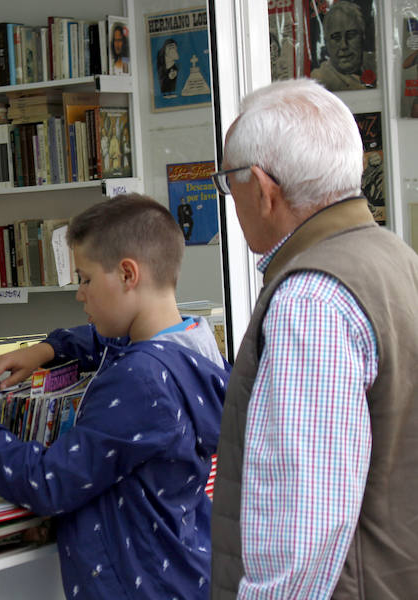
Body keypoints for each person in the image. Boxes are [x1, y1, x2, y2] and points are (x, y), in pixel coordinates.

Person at [0, 194, 229, 599]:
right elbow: (104, 341)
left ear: (128, 274)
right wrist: (43, 351)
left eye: (86, 279)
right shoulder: (194, 344)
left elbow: (49, 482)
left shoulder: (140, 382)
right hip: (182, 569)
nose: (80, 294)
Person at [209, 78, 418, 599]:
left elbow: (303, 527)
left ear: (261, 187)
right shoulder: (395, 259)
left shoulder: (311, 301)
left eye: (227, 181)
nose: (229, 199)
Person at [310, 1, 375, 90]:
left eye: (351, 35)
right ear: (326, 42)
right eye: (336, 38)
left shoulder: (377, 63)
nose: (344, 45)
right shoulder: (318, 80)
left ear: (363, 36)